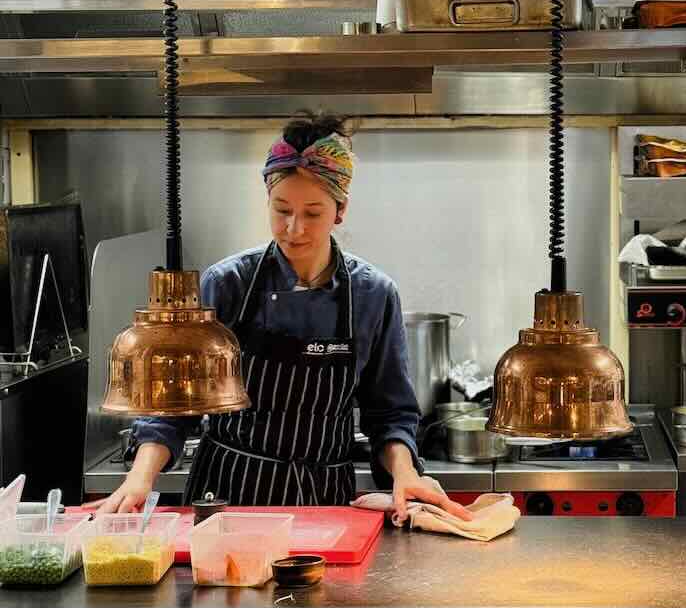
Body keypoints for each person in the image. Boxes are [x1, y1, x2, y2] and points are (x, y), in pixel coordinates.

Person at [87, 113, 471, 521]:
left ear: (340, 210)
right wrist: (140, 478)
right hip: (229, 495)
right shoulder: (228, 283)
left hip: (323, 499)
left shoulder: (373, 294)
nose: (294, 228)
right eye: (281, 209)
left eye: (312, 213)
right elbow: (175, 407)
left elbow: (390, 413)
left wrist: (405, 473)